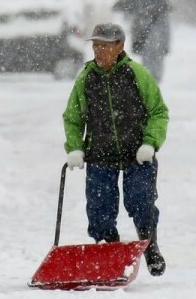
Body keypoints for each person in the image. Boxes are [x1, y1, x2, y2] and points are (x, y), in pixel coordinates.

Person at [62, 23, 170, 276]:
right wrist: (76, 148)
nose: (99, 51)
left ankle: (149, 245)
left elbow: (158, 112)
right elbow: (73, 118)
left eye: (105, 46)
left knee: (141, 201)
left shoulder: (137, 74)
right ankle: (109, 253)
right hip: (100, 153)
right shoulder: (86, 77)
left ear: (120, 46)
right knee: (99, 210)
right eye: (95, 45)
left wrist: (150, 143)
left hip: (137, 154)